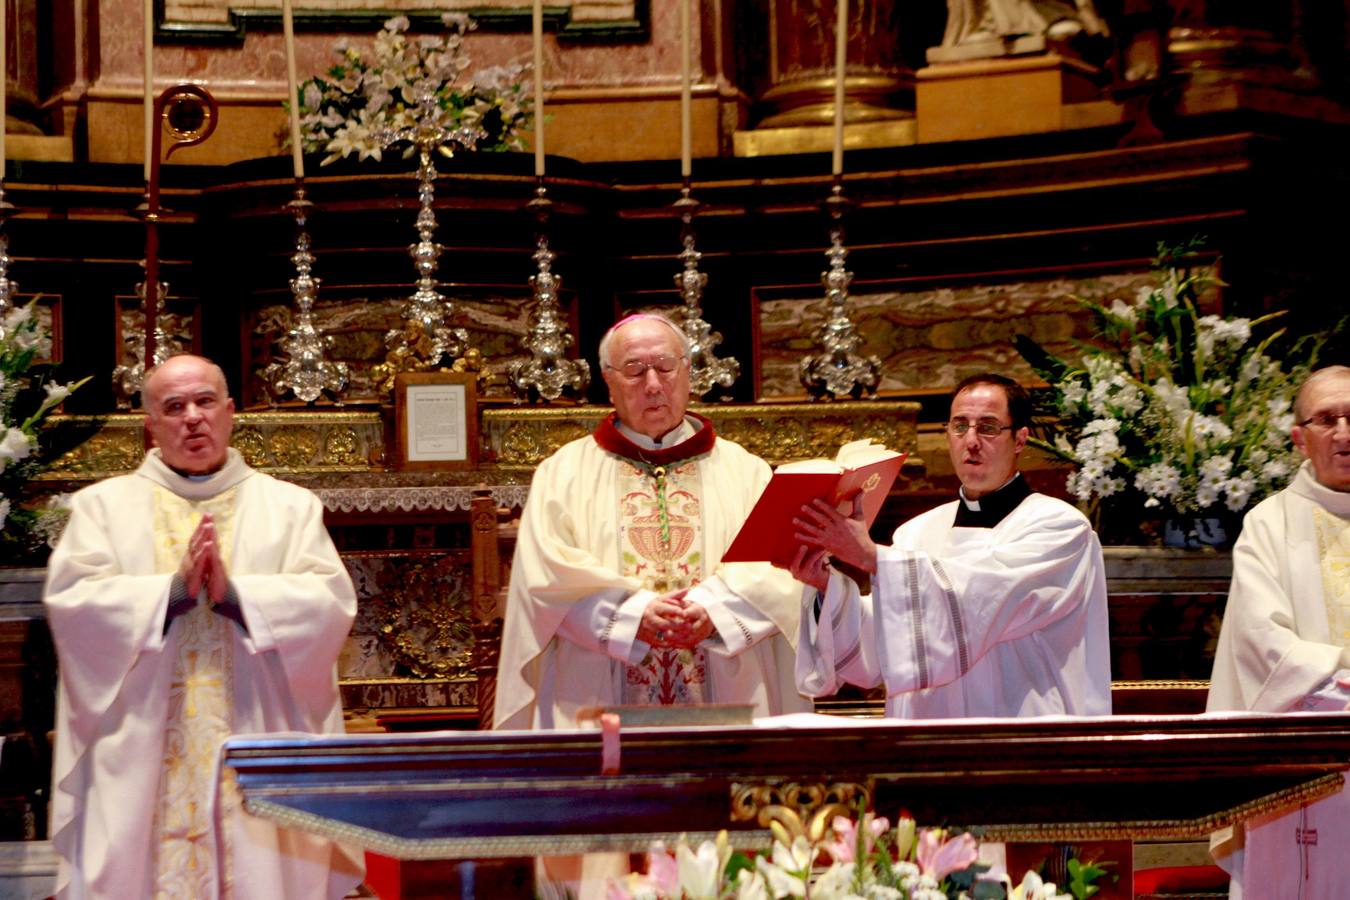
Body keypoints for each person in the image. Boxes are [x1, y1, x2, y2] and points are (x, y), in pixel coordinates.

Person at [44, 354, 362, 900]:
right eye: (174, 407)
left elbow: (329, 602)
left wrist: (235, 596)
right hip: (140, 745)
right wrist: (172, 593)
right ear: (150, 425)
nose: (192, 418)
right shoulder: (102, 508)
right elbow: (75, 604)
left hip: (256, 732)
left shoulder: (289, 507)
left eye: (205, 402)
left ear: (231, 411)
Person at [494, 314, 809, 731]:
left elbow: (779, 569)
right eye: (634, 370)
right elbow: (545, 577)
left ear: (688, 371)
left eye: (665, 366)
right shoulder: (562, 473)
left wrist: (714, 611)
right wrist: (631, 614)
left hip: (727, 689)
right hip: (595, 694)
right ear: (607, 380)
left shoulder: (746, 471)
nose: (654, 384)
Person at [790, 373, 1111, 719]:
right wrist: (829, 588)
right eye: (960, 426)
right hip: (926, 738)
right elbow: (886, 646)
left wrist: (872, 558)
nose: (970, 440)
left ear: (1019, 439)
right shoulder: (915, 533)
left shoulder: (1058, 528)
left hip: (1020, 732)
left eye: (988, 427)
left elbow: (985, 594)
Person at [1206, 364, 1350, 899]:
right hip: (1301, 755)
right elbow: (1260, 640)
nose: (1344, 433)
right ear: (1299, 438)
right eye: (1327, 419)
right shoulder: (1269, 524)